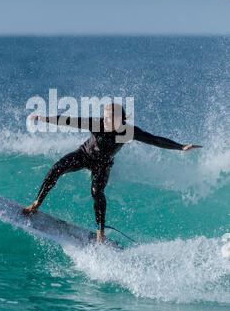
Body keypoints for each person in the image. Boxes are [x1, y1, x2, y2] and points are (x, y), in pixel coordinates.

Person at [23, 103, 202, 243]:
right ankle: (36, 203)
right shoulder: (96, 124)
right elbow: (68, 120)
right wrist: (43, 118)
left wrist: (180, 147)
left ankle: (100, 231)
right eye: (105, 117)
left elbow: (153, 139)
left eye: (110, 118)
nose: (106, 120)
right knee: (57, 168)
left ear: (121, 120)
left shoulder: (128, 132)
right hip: (84, 155)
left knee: (97, 193)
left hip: (103, 164)